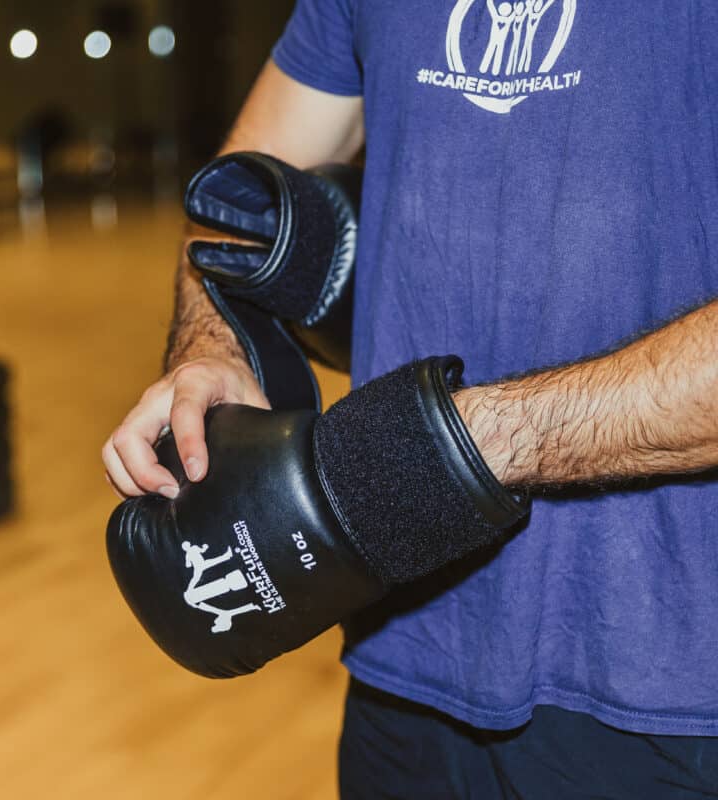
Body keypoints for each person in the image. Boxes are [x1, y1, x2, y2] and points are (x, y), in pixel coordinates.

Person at [102, 1, 718, 796]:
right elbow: (230, 205)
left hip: (670, 687)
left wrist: (461, 448)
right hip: (401, 652)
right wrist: (212, 347)